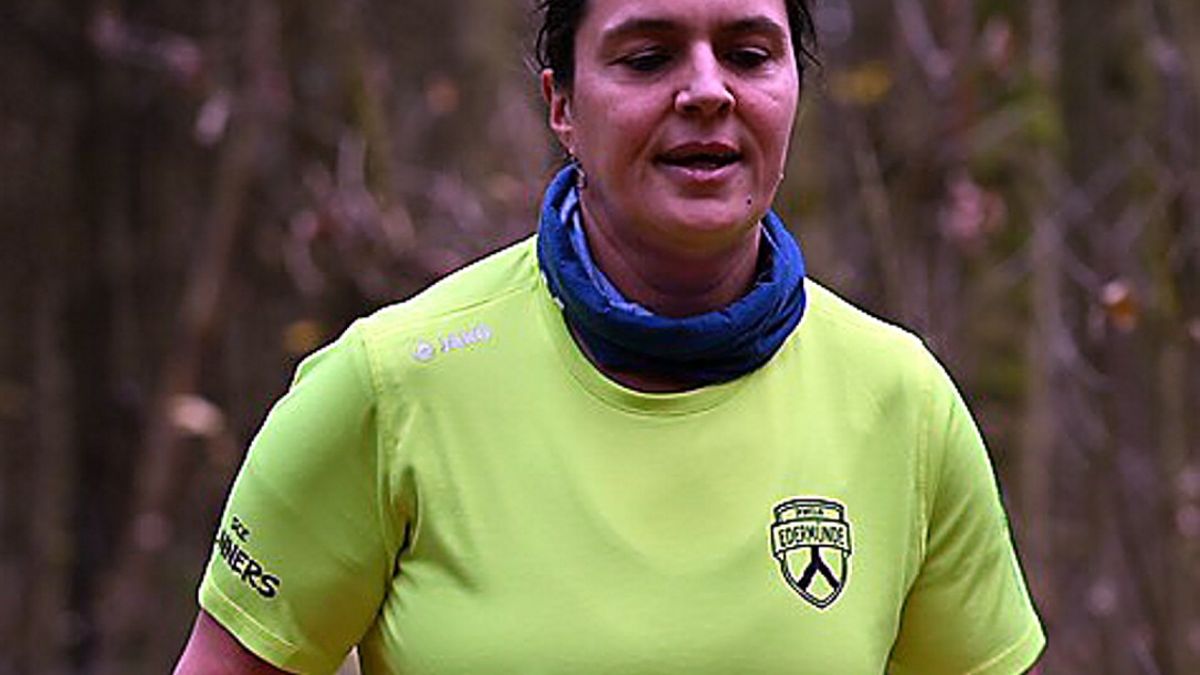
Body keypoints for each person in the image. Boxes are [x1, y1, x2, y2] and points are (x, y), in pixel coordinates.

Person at [176, 0, 1046, 672]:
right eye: (648, 57)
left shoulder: (903, 404)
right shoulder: (390, 384)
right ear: (561, 102)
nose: (707, 90)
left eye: (748, 54)